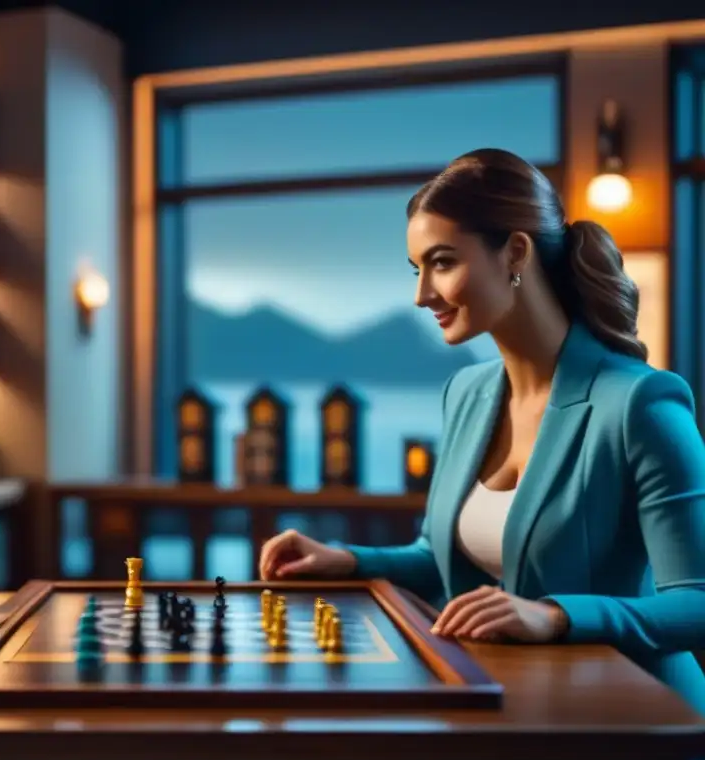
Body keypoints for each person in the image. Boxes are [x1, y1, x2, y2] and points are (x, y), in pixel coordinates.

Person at [258, 148, 705, 714]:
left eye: (441, 263)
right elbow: (446, 558)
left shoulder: (641, 403)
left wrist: (556, 614)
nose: (422, 295)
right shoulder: (466, 394)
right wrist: (347, 560)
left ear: (515, 252)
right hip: (516, 705)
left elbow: (696, 602)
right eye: (417, 270)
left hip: (639, 716)